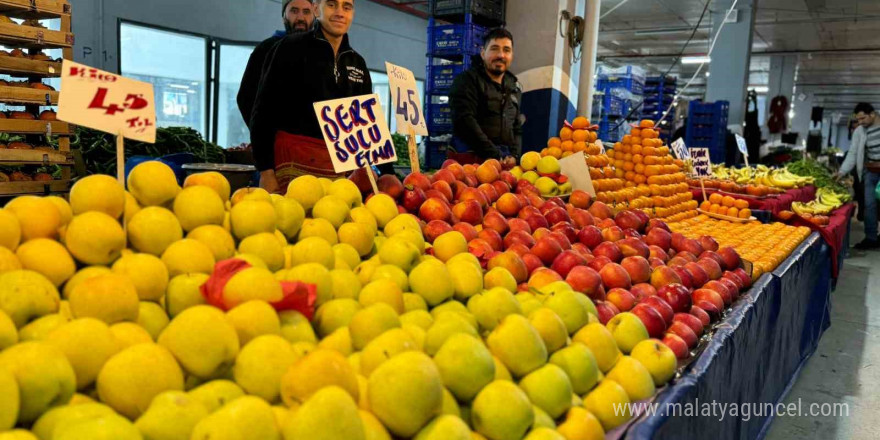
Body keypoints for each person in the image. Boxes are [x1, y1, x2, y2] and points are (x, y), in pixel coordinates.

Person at [250, 0, 371, 193]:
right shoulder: (289, 48)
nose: (340, 12)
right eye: (332, 4)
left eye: (346, 7)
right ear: (316, 9)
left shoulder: (357, 62)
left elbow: (363, 127)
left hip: (339, 178)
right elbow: (262, 112)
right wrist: (266, 172)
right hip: (290, 171)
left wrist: (376, 172)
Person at [449, 28, 522, 168]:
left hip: (503, 163)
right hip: (470, 164)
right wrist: (495, 155)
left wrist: (515, 156)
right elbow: (465, 122)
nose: (501, 55)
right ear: (483, 53)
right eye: (494, 49)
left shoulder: (514, 87)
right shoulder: (466, 81)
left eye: (506, 50)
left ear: (511, 55)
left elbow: (517, 128)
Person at [237, 0, 315, 129]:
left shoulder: (322, 52)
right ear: (284, 16)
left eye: (306, 12)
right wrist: (262, 137)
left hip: (312, 144)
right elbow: (246, 97)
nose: (300, 18)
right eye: (294, 11)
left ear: (314, 16)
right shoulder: (265, 49)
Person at [837, 102, 880, 250]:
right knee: (869, 205)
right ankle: (871, 238)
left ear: (872, 114)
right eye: (858, 119)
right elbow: (853, 153)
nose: (860, 122)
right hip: (870, 172)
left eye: (863, 119)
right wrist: (842, 171)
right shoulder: (859, 131)